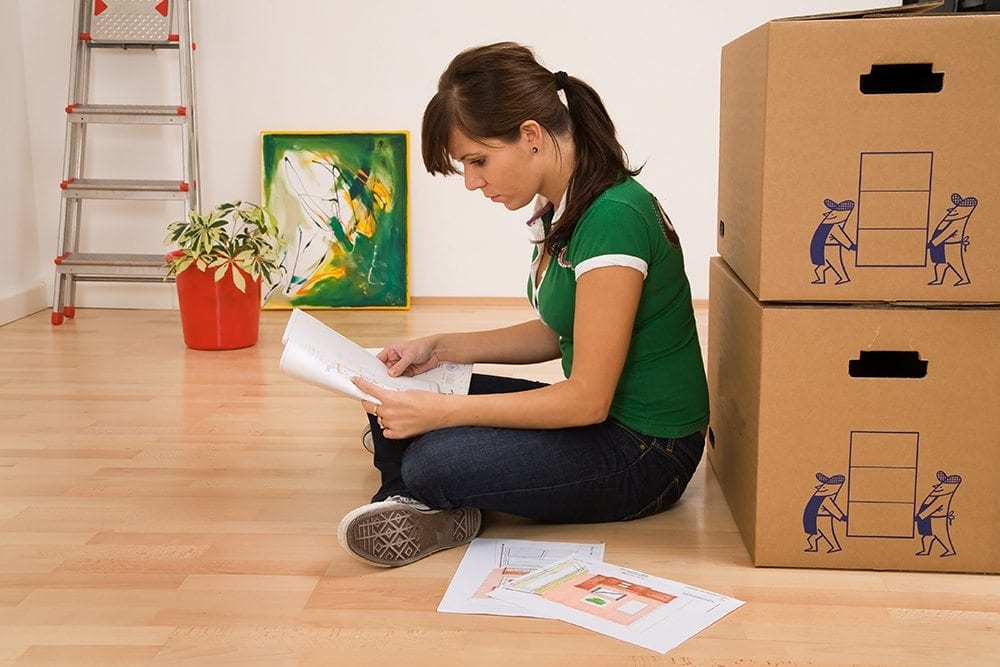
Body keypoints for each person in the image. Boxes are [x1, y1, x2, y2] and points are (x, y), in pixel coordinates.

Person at [337, 42, 709, 567]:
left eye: (477, 160)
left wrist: (444, 413)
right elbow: (559, 330)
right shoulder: (566, 204)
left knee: (429, 457)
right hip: (601, 424)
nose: (471, 181)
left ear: (530, 136)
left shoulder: (614, 219)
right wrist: (441, 349)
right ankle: (413, 502)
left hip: (647, 454)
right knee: (398, 388)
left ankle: (416, 491)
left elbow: (587, 402)